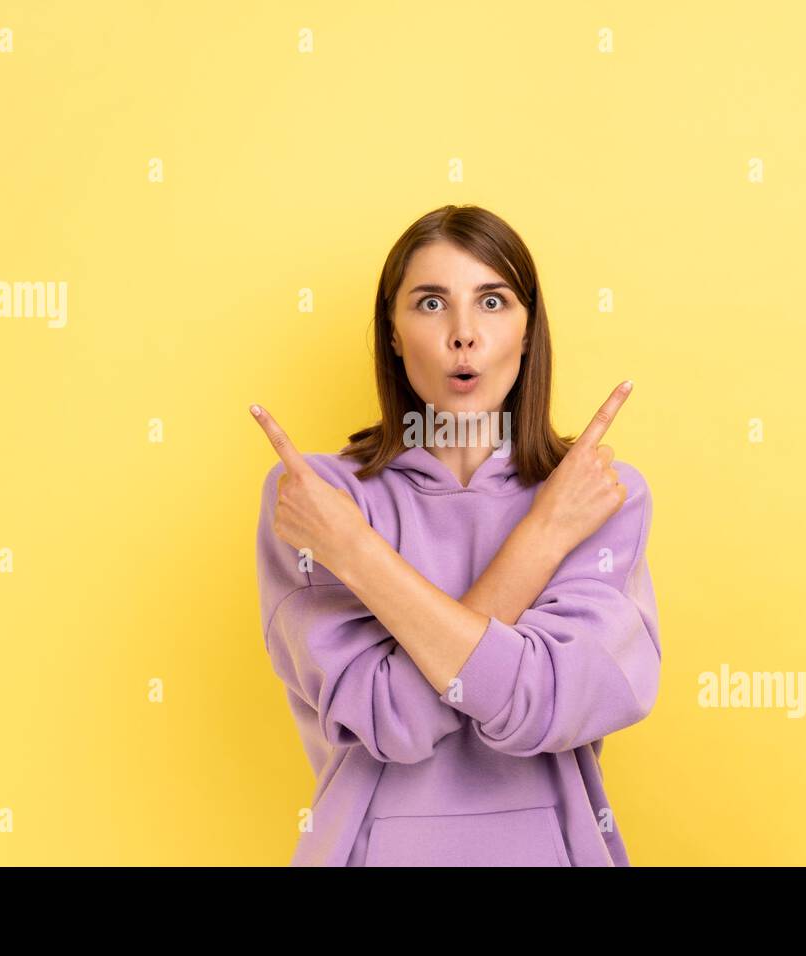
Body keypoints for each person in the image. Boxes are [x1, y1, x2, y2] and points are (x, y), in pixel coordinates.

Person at [251, 204, 660, 866]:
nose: (463, 334)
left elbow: (542, 704)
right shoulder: (320, 502)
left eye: (492, 301)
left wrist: (363, 558)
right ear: (391, 333)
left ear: (528, 333)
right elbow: (391, 717)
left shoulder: (595, 495)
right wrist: (539, 543)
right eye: (431, 303)